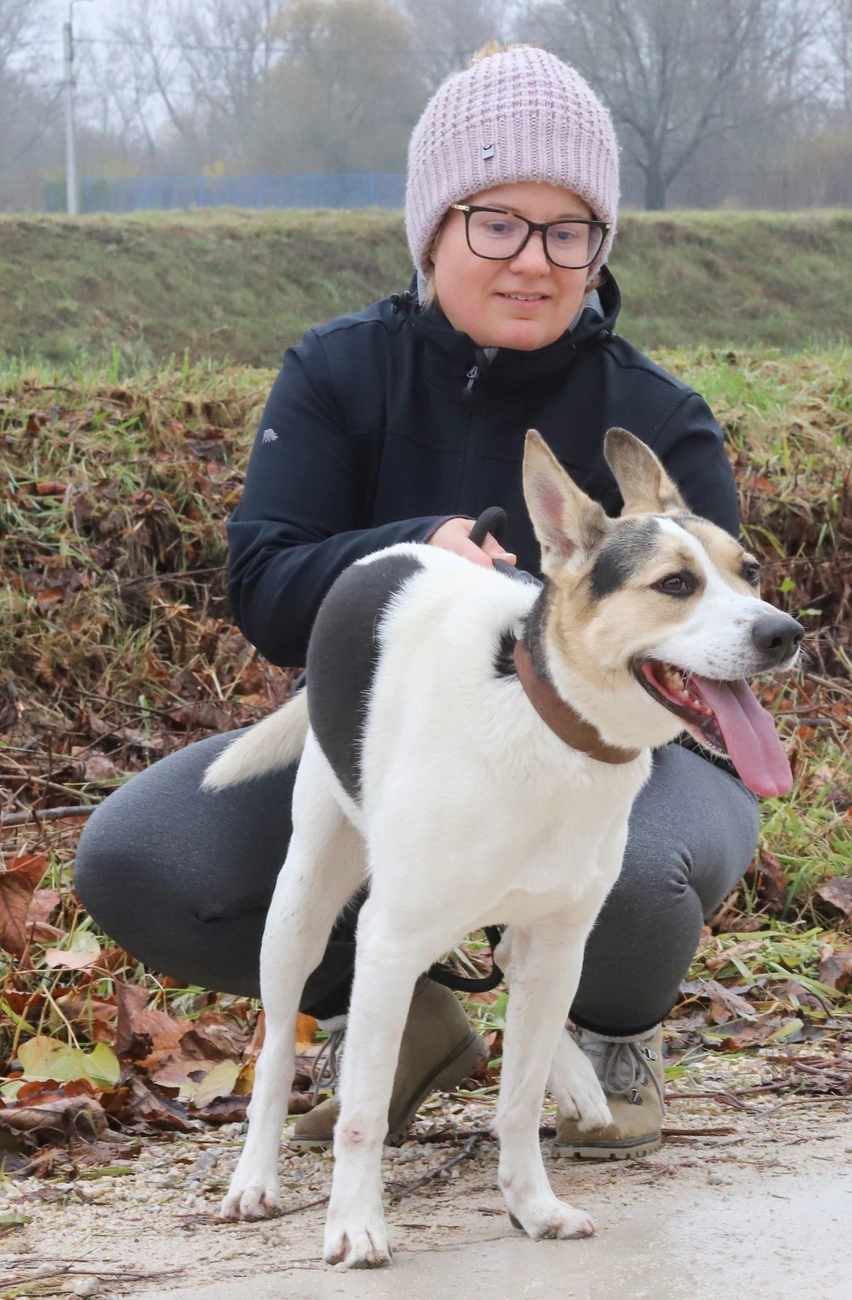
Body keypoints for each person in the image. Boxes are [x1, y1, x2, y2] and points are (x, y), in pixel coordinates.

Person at [74, 43, 760, 1161]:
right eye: (495, 222)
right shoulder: (340, 374)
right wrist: (414, 544)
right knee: (141, 857)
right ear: (433, 228)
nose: (533, 261)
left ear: (601, 247)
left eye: (568, 230)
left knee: (632, 869)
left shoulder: (655, 415)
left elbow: (714, 636)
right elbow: (265, 584)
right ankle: (400, 1014)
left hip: (617, 756)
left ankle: (609, 1026)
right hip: (388, 754)